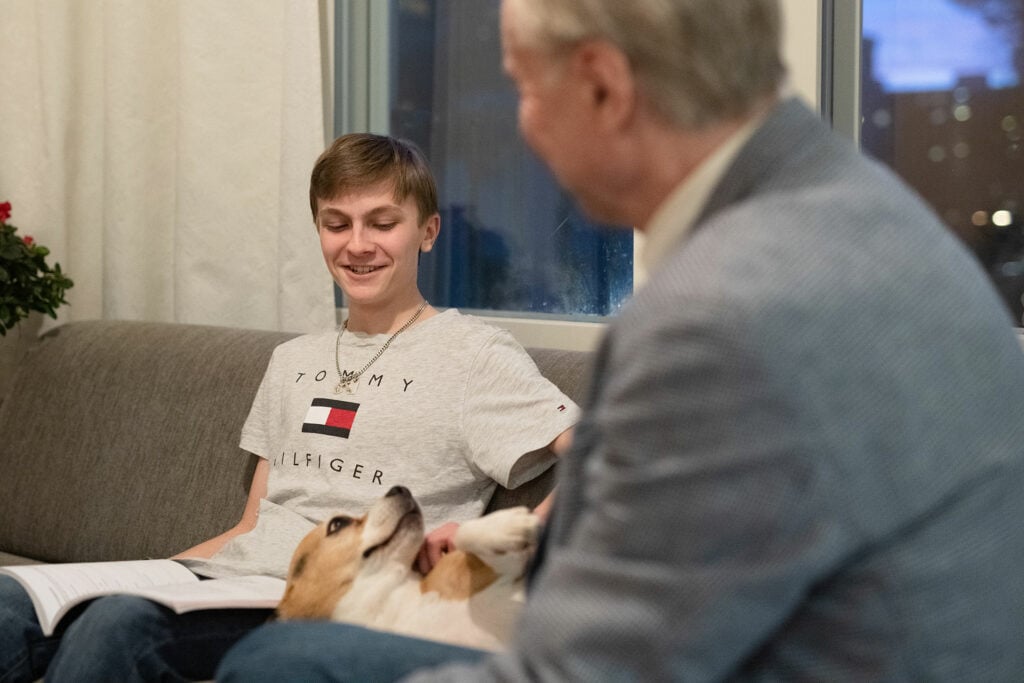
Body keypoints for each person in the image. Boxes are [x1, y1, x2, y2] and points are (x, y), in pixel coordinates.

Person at [218, 1, 1024, 681]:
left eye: (525, 88)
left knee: (278, 664)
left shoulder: (718, 311)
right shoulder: (856, 205)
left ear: (603, 85)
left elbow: (588, 669)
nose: (524, 124)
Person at [0, 133, 578, 683]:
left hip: (332, 596)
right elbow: (251, 525)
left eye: (383, 223)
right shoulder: (291, 360)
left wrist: (502, 535)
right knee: (11, 598)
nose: (357, 244)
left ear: (427, 232)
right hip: (232, 580)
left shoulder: (473, 354)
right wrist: (158, 575)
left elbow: (600, 456)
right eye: (337, 224)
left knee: (123, 625)